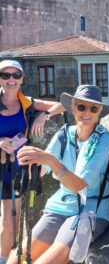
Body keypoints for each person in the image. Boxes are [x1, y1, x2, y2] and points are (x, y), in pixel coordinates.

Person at [7, 85, 109, 264]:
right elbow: (42, 169)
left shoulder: (105, 139)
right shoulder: (64, 134)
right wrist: (30, 166)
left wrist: (49, 160)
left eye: (93, 108)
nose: (86, 112)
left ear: (99, 112)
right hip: (59, 207)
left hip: (89, 211)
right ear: (73, 108)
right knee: (15, 259)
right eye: (81, 107)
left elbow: (79, 186)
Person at [0, 60, 64, 264]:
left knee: (12, 221)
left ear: (22, 79)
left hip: (14, 169)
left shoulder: (26, 103)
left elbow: (63, 104)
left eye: (16, 75)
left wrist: (43, 115)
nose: (11, 79)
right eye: (6, 75)